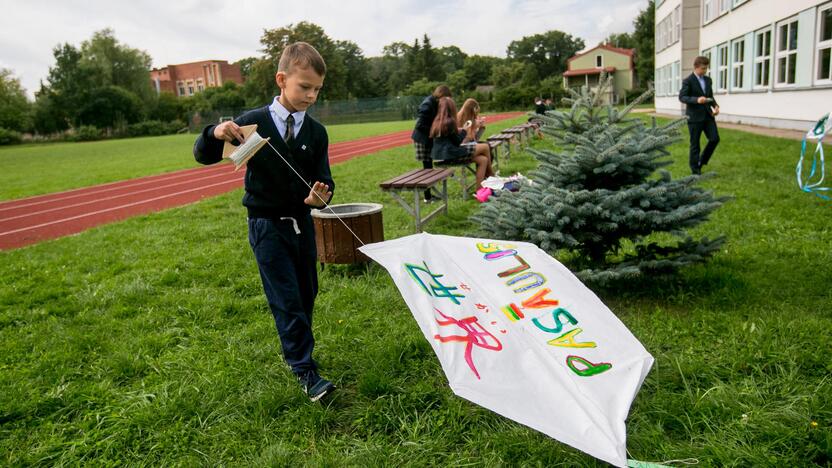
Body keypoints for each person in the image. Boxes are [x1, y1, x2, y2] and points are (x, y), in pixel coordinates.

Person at [193, 42, 336, 402]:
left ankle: (299, 351)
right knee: (286, 298)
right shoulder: (250, 122)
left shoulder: (317, 133)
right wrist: (215, 132)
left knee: (306, 294)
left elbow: (324, 178)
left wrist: (321, 195)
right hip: (266, 225)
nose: (311, 96)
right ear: (281, 79)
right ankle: (305, 370)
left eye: (317, 89)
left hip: (303, 226)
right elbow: (203, 154)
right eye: (305, 87)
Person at [430, 97, 494, 189]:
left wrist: (476, 129)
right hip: (450, 154)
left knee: (483, 160)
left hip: (441, 155)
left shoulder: (437, 121)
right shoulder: (450, 121)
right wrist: (464, 130)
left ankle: (479, 190)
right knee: (485, 147)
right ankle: (491, 175)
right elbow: (457, 142)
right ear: (451, 108)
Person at [679, 55, 720, 175]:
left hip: (708, 116)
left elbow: (710, 96)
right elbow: (682, 97)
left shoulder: (708, 80)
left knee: (714, 139)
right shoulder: (688, 81)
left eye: (706, 68)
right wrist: (697, 100)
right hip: (694, 117)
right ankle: (695, 170)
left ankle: (701, 161)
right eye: (703, 68)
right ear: (696, 67)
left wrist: (715, 106)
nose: (705, 71)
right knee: (695, 144)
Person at [412, 85, 452, 202]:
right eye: (446, 98)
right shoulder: (428, 103)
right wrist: (433, 131)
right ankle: (427, 197)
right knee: (427, 168)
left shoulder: (435, 102)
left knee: (429, 167)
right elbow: (420, 124)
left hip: (428, 138)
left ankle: (428, 196)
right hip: (422, 139)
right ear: (441, 94)